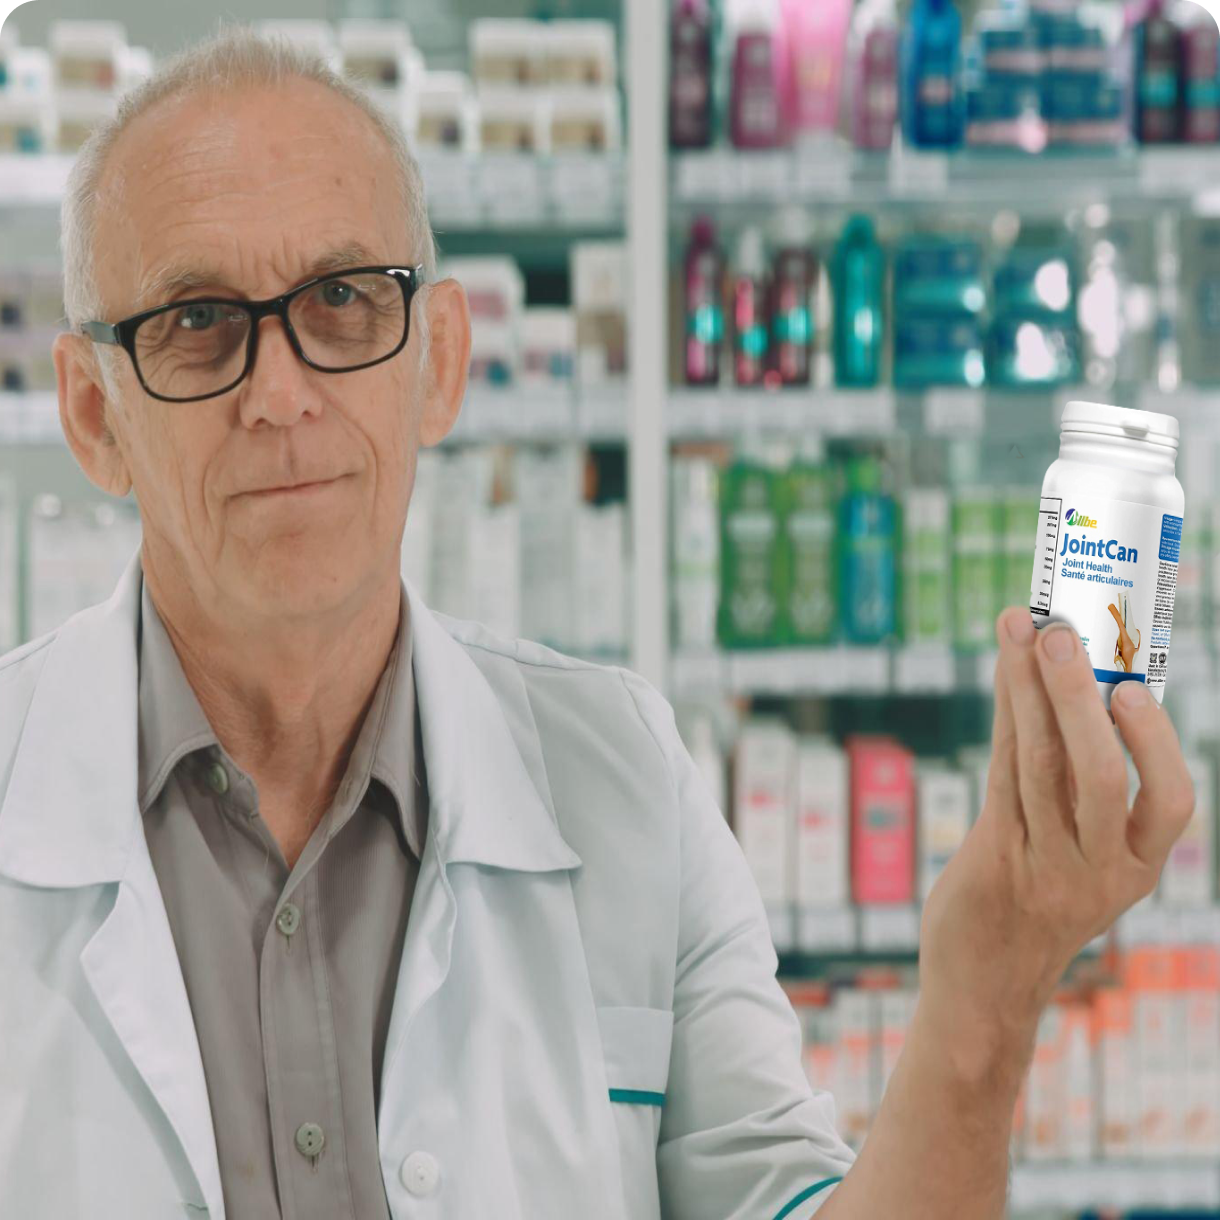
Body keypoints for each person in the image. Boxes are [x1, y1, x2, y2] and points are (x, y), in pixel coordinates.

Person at [0, 26, 1195, 1220]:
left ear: (440, 363)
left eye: (344, 299)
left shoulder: (623, 778)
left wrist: (986, 996)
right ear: (94, 416)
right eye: (196, 321)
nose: (279, 393)